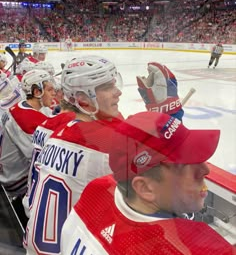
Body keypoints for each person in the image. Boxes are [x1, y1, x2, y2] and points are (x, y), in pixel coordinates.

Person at [60, 111, 235, 255]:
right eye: (185, 165)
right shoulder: (204, 249)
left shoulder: (98, 189)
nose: (205, 170)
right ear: (144, 188)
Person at [24, 55, 124, 255]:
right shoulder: (103, 145)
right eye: (107, 87)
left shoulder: (56, 135)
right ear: (82, 98)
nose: (118, 92)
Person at [0, 69, 56, 202]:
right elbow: (44, 161)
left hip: (6, 173)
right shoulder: (26, 119)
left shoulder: (19, 107)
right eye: (50, 90)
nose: (54, 93)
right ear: (37, 92)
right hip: (14, 182)